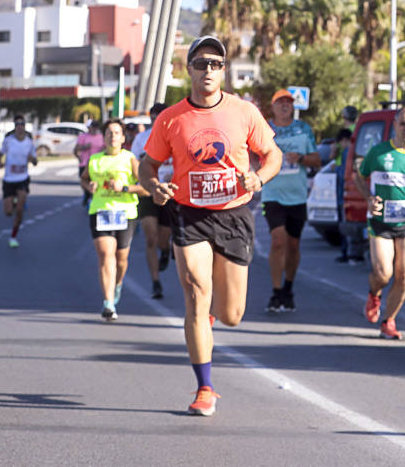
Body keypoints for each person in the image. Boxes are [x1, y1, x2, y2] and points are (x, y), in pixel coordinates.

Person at [138, 36, 281, 417]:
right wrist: (155, 187)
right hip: (189, 213)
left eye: (215, 64)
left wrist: (259, 177)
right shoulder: (171, 118)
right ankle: (205, 387)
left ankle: (210, 317)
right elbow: (147, 164)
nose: (208, 70)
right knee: (197, 293)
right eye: (201, 63)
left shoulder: (244, 112)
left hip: (233, 214)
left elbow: (272, 154)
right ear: (189, 70)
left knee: (232, 315)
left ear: (224, 70)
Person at [353, 106, 405, 340]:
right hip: (381, 223)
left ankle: (388, 321)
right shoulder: (378, 153)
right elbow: (358, 176)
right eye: (403, 123)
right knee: (383, 273)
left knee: (403, 276)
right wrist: (369, 198)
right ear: (395, 125)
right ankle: (374, 293)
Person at [81, 119, 148, 321]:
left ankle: (117, 284)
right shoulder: (95, 160)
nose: (112, 136)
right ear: (104, 137)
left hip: (125, 213)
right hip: (100, 211)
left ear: (123, 137)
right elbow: (84, 178)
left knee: (121, 259)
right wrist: (89, 186)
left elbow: (146, 188)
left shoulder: (130, 159)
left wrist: (125, 188)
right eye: (109, 132)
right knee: (105, 254)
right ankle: (108, 303)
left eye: (117, 132)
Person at [261, 89, 320, 313]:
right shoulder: (265, 129)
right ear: (273, 106)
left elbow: (317, 159)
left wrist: (301, 158)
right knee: (278, 241)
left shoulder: (303, 129)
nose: (285, 106)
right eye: (280, 102)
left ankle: (288, 287)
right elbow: (252, 154)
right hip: (272, 194)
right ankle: (276, 293)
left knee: (293, 245)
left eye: (288, 102)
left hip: (297, 196)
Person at [131, 103, 173, 299]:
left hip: (170, 193)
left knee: (163, 238)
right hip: (148, 191)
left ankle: (165, 251)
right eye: (153, 117)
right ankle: (155, 282)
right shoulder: (141, 139)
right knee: (150, 237)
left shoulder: (176, 135)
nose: (156, 121)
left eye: (160, 117)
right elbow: (135, 165)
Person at [0, 115, 37, 248]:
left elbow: (35, 161)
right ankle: (14, 201)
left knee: (20, 209)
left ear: (25, 127)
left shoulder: (29, 142)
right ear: (15, 127)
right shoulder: (8, 141)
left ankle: (13, 236)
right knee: (8, 212)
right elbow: (0, 154)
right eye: (17, 124)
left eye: (22, 124)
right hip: (9, 179)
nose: (20, 127)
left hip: (22, 179)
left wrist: (32, 159)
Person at [330, 128, 358, 264]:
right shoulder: (350, 151)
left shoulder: (348, 152)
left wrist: (337, 168)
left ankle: (346, 252)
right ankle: (347, 252)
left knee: (344, 225)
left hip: (343, 194)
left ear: (344, 140)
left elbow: (344, 173)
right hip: (345, 194)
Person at [74, 121, 104, 208]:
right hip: (84, 164)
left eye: (96, 126)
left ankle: (91, 198)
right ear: (89, 127)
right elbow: (75, 150)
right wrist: (84, 148)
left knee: (95, 183)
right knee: (84, 181)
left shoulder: (101, 137)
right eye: (93, 126)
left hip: (97, 165)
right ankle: (87, 195)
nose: (94, 128)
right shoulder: (83, 137)